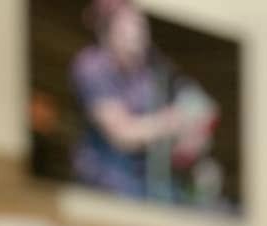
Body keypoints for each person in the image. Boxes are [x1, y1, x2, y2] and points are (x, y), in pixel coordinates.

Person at [69, 0, 225, 205]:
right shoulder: (91, 66)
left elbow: (203, 108)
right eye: (127, 25)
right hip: (106, 179)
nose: (137, 32)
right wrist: (172, 121)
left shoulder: (155, 72)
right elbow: (123, 134)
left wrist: (195, 133)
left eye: (140, 25)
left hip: (151, 180)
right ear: (107, 31)